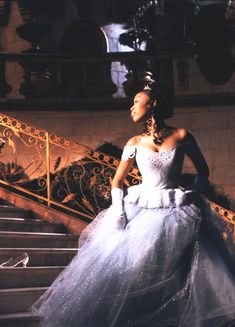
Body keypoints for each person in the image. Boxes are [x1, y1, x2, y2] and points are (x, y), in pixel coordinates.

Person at [31, 76, 235, 327]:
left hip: (177, 209)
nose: (131, 107)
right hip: (141, 210)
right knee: (135, 271)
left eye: (137, 102)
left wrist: (195, 192)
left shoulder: (183, 134)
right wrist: (118, 213)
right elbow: (117, 182)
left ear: (153, 105)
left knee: (180, 271)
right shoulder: (134, 143)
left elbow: (203, 170)